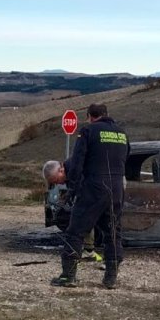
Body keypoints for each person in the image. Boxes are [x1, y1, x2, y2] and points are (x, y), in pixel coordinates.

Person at [51, 103, 129, 289]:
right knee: (112, 233)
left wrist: (74, 189)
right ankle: (110, 278)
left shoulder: (88, 131)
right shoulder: (122, 133)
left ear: (89, 116)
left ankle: (68, 276)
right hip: (117, 188)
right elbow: (126, 156)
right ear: (106, 114)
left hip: (94, 187)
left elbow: (77, 162)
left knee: (75, 231)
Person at [42, 160, 103, 261]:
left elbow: (83, 188)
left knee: (91, 219)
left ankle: (107, 258)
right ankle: (87, 250)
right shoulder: (69, 172)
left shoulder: (76, 168)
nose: (58, 184)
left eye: (56, 180)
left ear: (60, 171)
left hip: (100, 190)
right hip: (93, 193)